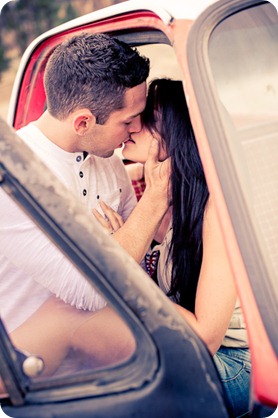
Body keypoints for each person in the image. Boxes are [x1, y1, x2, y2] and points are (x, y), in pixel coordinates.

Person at [0, 33, 170, 374]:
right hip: (42, 378)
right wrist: (154, 199)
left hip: (113, 358)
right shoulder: (13, 181)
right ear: (83, 122)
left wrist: (123, 245)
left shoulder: (103, 153)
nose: (137, 128)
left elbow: (133, 262)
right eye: (128, 120)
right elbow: (91, 292)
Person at [95, 78, 251, 417]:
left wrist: (130, 272)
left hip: (234, 360)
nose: (133, 125)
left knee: (123, 396)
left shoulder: (214, 211)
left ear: (177, 137)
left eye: (148, 118)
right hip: (189, 347)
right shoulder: (159, 191)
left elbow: (206, 338)